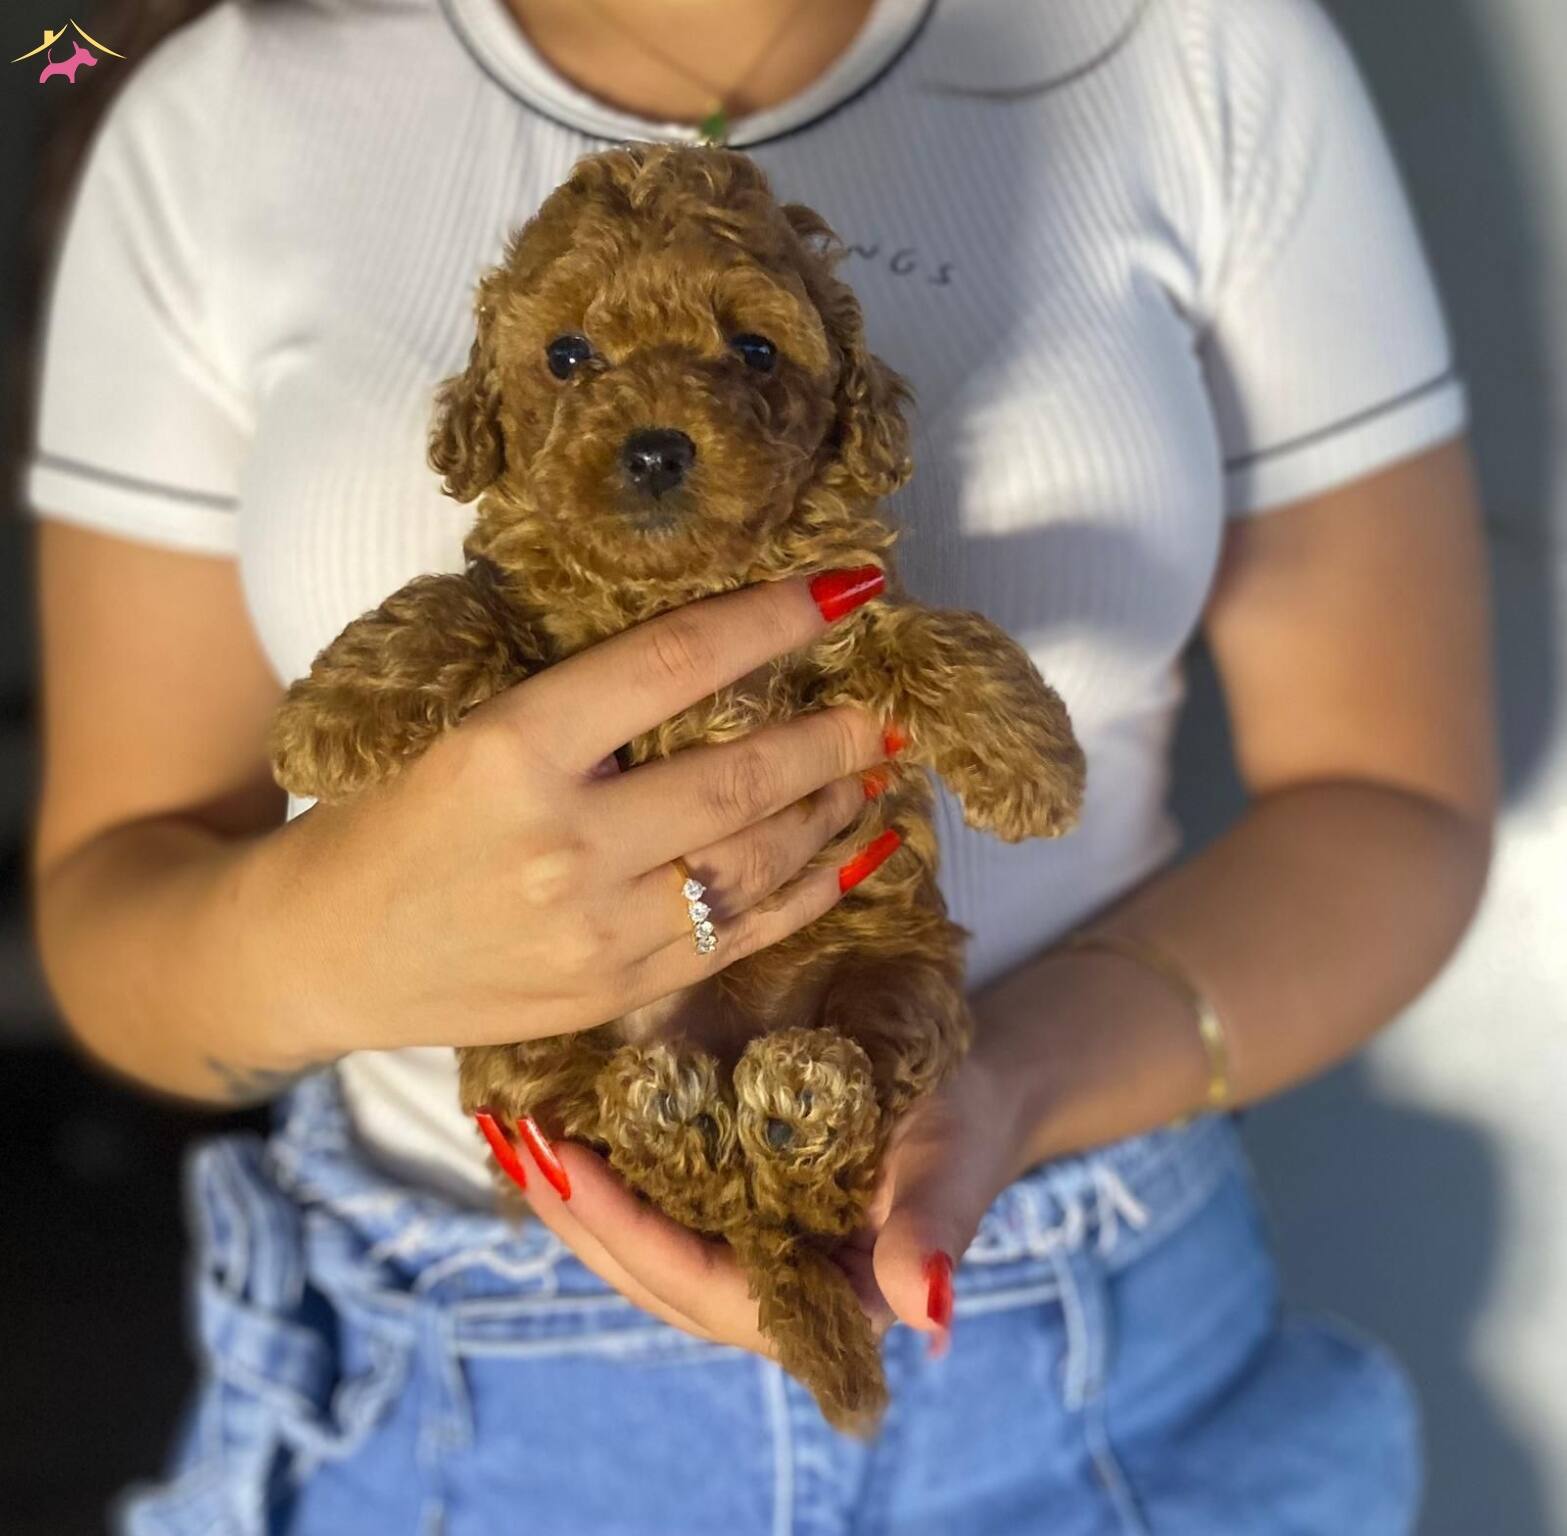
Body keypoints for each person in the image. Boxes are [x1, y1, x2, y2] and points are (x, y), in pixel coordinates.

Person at [24, 0, 1499, 1530]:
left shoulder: (1196, 47)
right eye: (575, 359)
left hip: (1092, 1348)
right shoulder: (224, 112)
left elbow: (1391, 804)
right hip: (450, 1392)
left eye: (745, 350)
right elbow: (112, 898)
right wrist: (343, 941)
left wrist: (1001, 1087)